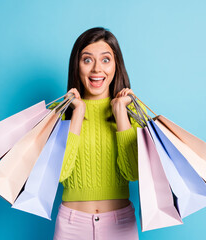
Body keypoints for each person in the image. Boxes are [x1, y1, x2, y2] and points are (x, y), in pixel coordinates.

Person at [52, 27, 145, 240]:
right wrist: (78, 113)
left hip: (120, 225)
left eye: (105, 60)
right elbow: (59, 173)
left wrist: (120, 112)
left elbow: (133, 173)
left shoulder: (134, 110)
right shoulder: (58, 113)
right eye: (87, 60)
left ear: (116, 65)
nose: (96, 69)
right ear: (77, 65)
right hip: (71, 226)